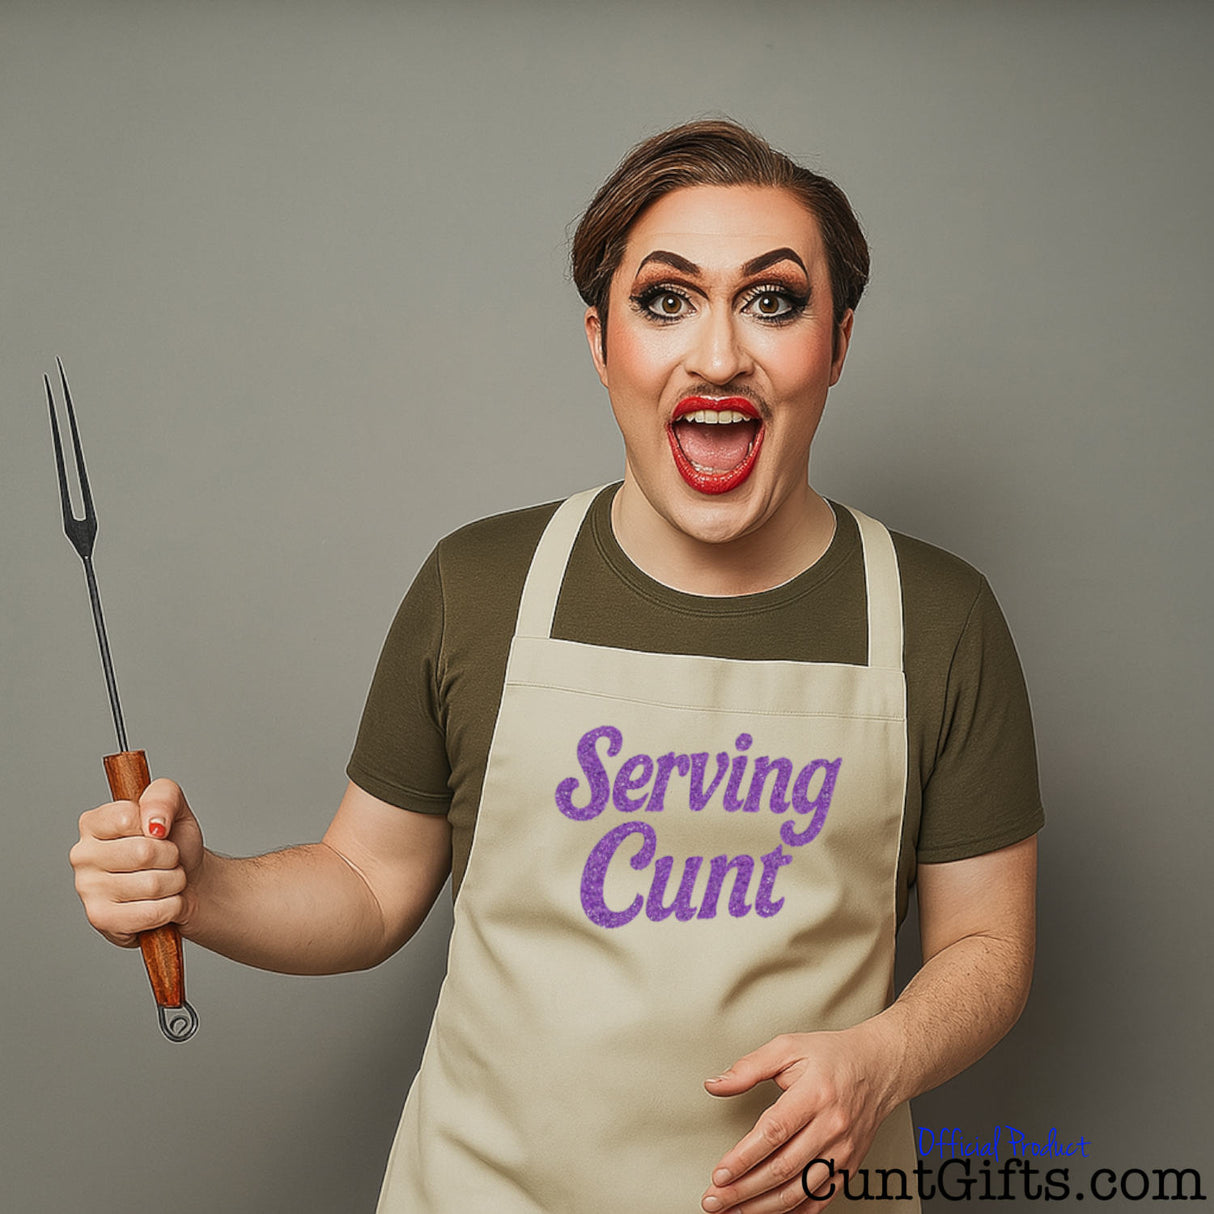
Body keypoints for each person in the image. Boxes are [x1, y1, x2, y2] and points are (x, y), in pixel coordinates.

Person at [71, 119, 1042, 1213]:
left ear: (839, 342)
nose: (718, 354)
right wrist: (201, 888)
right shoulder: (478, 585)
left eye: (772, 301)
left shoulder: (938, 617)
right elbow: (368, 884)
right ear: (599, 340)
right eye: (665, 300)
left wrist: (888, 1057)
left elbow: (987, 943)